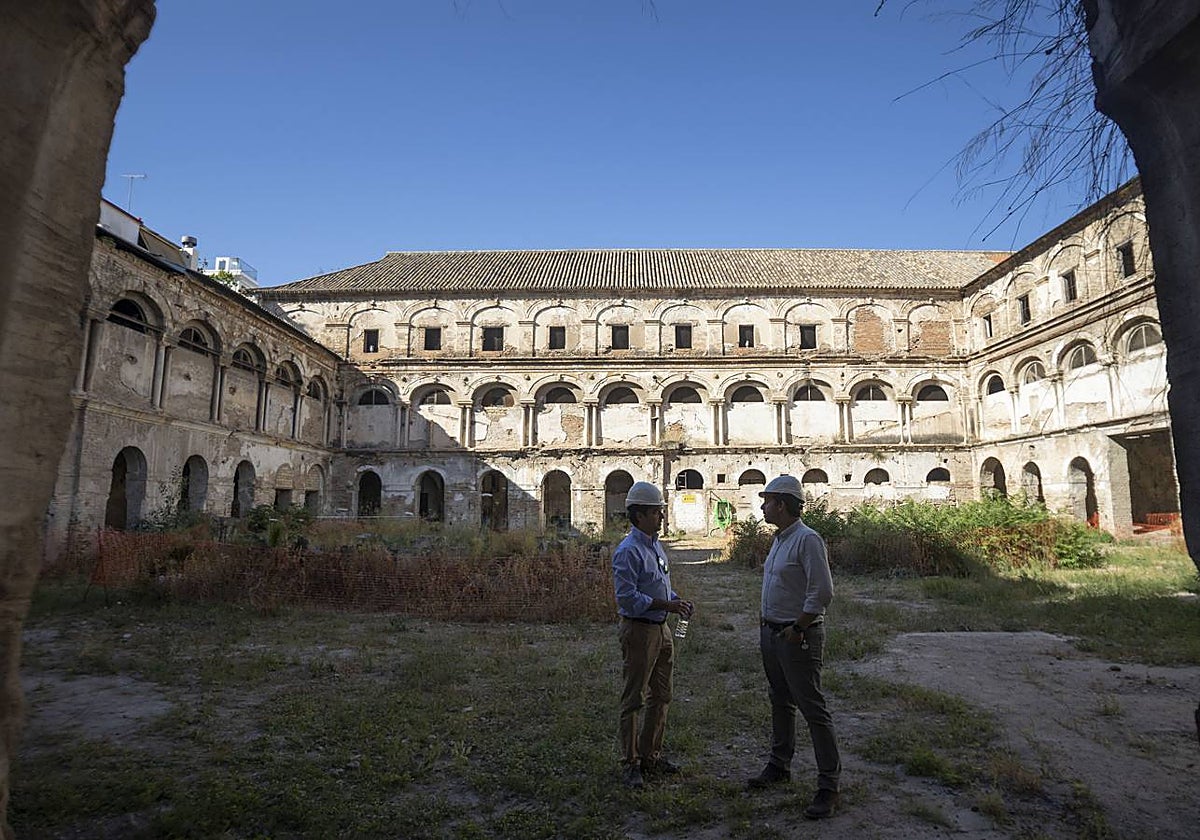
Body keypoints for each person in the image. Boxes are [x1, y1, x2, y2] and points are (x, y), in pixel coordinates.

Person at [748, 474, 842, 819]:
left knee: (812, 708)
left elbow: (823, 591)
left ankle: (828, 786)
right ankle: (779, 765)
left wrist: (798, 627)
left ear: (782, 505)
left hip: (797, 636)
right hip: (773, 633)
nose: (762, 507)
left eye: (767, 501)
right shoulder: (780, 539)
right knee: (780, 700)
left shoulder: (807, 540)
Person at [611, 480, 694, 789]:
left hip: (661, 628)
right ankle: (630, 763)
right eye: (657, 511)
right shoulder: (627, 551)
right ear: (640, 515)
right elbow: (627, 598)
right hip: (639, 631)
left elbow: (659, 585)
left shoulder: (655, 545)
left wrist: (676, 601)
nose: (662, 515)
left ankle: (651, 756)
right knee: (634, 698)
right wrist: (666, 605)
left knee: (661, 694)